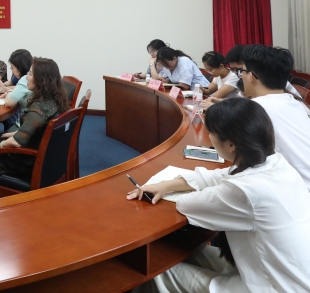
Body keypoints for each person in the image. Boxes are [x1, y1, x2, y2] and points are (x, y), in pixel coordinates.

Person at [127, 98, 310, 292]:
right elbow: (220, 176)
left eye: (211, 133)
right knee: (183, 253)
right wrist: (166, 185)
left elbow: (187, 204)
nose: (210, 138)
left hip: (275, 287)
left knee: (156, 272)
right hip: (286, 274)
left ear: (231, 145)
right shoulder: (276, 163)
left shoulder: (245, 190)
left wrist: (180, 189)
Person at [239, 45, 310, 190]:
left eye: (242, 71)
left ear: (251, 76)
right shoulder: (297, 103)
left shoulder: (254, 109)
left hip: (297, 191)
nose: (241, 76)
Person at [0, 58, 69, 178]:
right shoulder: (55, 100)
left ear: (41, 80)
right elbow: (38, 131)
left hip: (24, 163)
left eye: (30, 74)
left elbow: (16, 142)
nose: (26, 77)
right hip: (47, 158)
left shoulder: (39, 109)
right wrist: (16, 133)